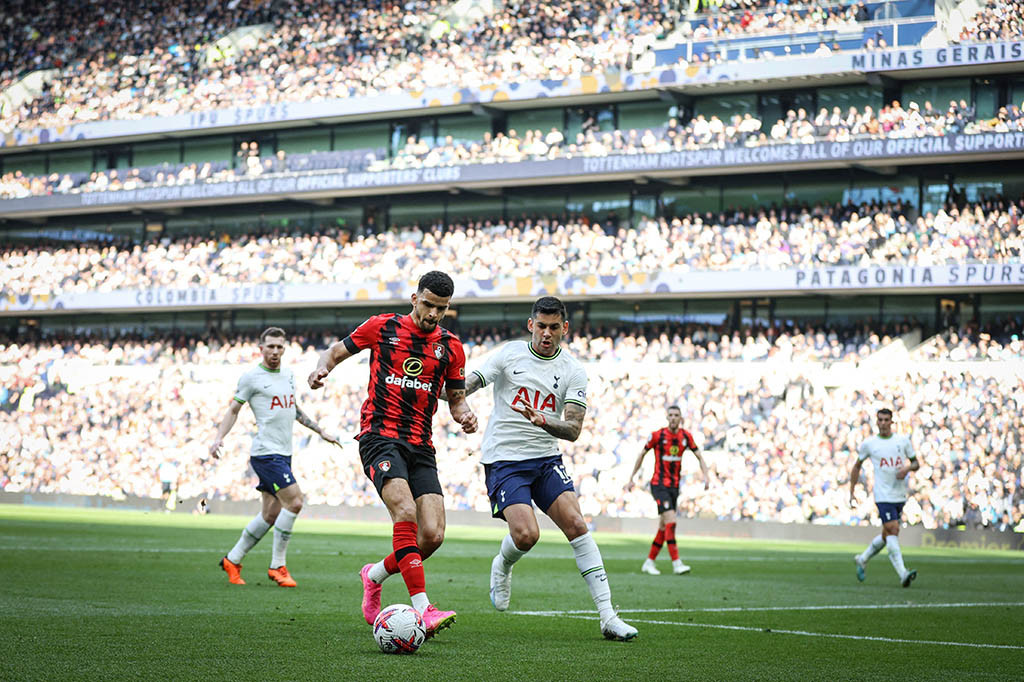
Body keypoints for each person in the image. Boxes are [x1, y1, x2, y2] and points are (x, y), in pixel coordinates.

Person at [308, 271, 477, 638]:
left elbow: (457, 399)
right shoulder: (382, 327)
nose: (433, 314)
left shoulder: (451, 347)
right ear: (414, 298)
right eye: (428, 305)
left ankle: (375, 575)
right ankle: (423, 608)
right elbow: (334, 352)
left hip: (421, 444)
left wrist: (464, 416)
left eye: (441, 309)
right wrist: (322, 368)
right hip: (378, 436)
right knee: (405, 511)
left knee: (432, 535)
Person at [462, 296, 638, 641]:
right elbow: (467, 385)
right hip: (504, 460)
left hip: (545, 459)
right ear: (531, 325)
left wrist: (543, 420)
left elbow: (572, 430)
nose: (546, 333)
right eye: (541, 326)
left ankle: (608, 616)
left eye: (554, 327)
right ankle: (503, 563)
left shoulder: (573, 370)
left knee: (576, 524)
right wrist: (442, 391)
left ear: (564, 329)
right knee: (527, 535)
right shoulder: (509, 354)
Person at [211, 327, 339, 587]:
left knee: (270, 515)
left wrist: (320, 430)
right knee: (295, 503)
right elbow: (234, 410)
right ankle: (277, 566)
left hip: (284, 453)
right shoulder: (251, 378)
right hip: (266, 454)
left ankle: (232, 560)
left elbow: (293, 410)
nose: (275, 351)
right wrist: (218, 437)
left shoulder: (289, 375)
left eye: (279, 347)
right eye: (270, 346)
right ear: (261, 348)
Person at [629, 405, 710, 576]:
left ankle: (649, 562)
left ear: (681, 418)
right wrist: (632, 477)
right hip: (659, 485)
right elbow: (641, 454)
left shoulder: (686, 437)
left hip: (674, 487)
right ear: (667, 418)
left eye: (676, 415)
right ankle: (676, 563)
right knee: (671, 522)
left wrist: (706, 476)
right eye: (671, 415)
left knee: (663, 527)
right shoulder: (658, 436)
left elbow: (700, 457)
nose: (673, 418)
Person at [850, 408, 920, 587]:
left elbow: (916, 463)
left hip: (899, 495)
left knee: (887, 533)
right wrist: (851, 491)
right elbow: (856, 466)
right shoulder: (870, 444)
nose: (882, 423)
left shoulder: (902, 441)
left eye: (886, 420)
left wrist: (906, 468)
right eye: (879, 420)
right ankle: (903, 573)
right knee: (893, 529)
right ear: (876, 421)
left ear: (891, 422)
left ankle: (863, 559)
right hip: (882, 494)